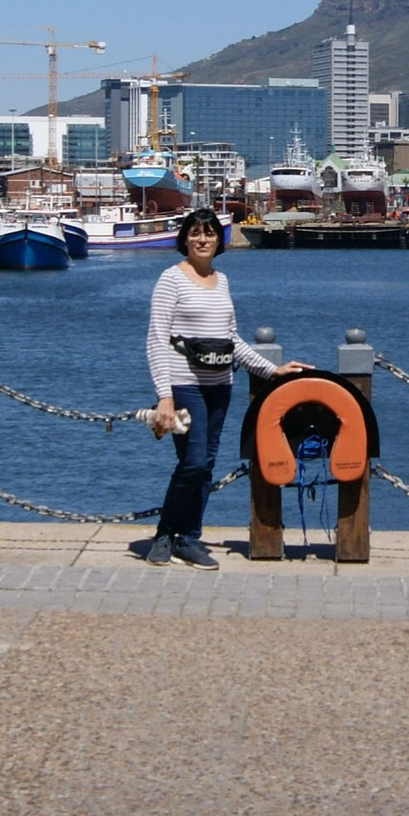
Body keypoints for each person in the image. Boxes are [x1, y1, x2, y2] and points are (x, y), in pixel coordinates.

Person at [144, 208, 308, 569]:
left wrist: (272, 370)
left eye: (210, 234)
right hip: (184, 385)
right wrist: (164, 395)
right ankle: (164, 534)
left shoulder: (222, 281)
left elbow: (231, 339)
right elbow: (156, 339)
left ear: (219, 240)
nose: (202, 240)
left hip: (219, 386)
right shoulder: (171, 279)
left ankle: (188, 538)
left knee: (205, 466)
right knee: (193, 461)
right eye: (195, 233)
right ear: (184, 239)